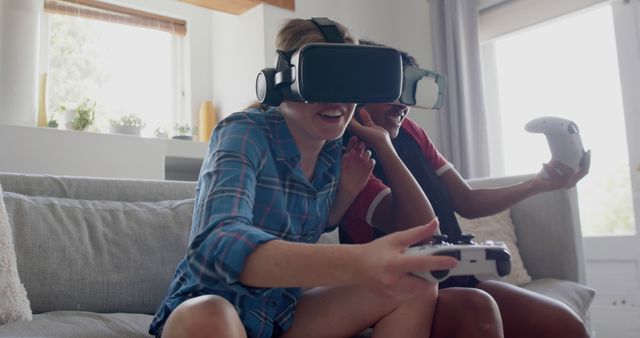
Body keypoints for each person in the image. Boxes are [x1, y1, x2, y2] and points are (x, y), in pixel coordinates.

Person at [148, 18, 460, 338]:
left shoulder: (334, 153)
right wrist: (360, 260)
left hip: (279, 315)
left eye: (348, 80)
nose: (337, 99)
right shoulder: (243, 132)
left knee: (415, 285)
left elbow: (310, 223)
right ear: (281, 83)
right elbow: (216, 248)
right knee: (208, 315)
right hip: (213, 307)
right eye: (322, 78)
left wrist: (344, 196)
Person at [340, 41, 592, 338]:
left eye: (407, 91)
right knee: (479, 313)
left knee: (565, 325)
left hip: (453, 276)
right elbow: (422, 226)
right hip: (398, 292)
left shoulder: (411, 132)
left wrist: (537, 184)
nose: (402, 105)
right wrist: (384, 147)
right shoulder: (348, 158)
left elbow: (467, 200)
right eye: (389, 92)